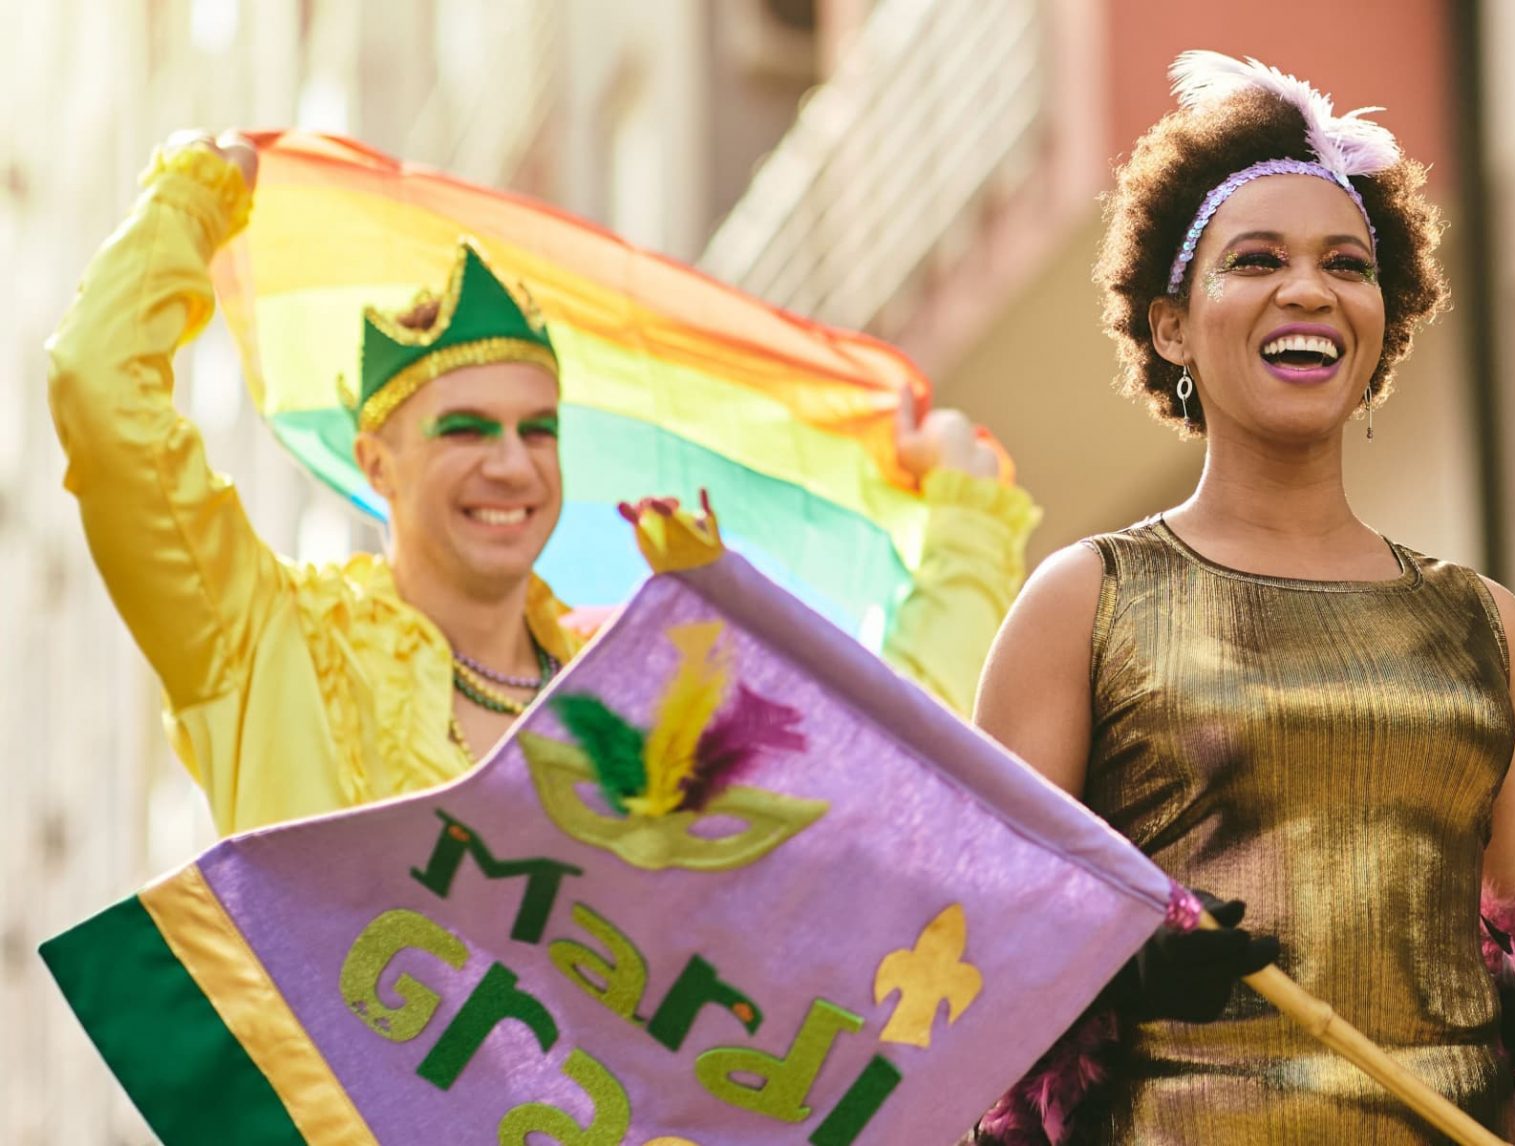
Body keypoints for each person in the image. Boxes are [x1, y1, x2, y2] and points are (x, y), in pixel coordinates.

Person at [969, 53, 1515, 1145]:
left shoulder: (1484, 623)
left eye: (1346, 263)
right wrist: (1113, 972)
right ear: (1170, 326)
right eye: (1255, 260)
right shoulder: (1082, 600)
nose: (1308, 291)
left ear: (1383, 316)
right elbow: (966, 939)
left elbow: (1507, 927)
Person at [47, 131, 1036, 837]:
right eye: (466, 431)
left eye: (538, 431)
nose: (512, 465)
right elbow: (102, 393)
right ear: (375, 463)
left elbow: (885, 772)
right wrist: (191, 200)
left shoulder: (636, 688)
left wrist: (967, 518)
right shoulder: (265, 646)